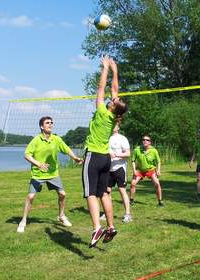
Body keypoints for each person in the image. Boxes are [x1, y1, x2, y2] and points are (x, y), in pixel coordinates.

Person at [82, 55, 128, 248]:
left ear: (112, 105)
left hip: (93, 155)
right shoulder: (113, 117)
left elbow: (101, 88)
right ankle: (110, 226)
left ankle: (96, 227)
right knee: (104, 194)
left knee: (90, 194)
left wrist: (105, 68)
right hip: (106, 159)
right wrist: (115, 70)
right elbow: (114, 90)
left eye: (114, 99)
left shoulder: (102, 111)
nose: (113, 97)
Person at [17, 116, 83, 233]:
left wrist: (75, 158)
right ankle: (23, 220)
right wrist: (38, 164)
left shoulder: (56, 139)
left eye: (51, 123)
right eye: (48, 123)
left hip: (53, 173)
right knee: (31, 196)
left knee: (62, 194)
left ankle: (61, 216)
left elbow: (67, 149)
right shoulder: (36, 140)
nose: (50, 124)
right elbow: (27, 155)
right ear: (42, 126)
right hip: (38, 174)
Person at [106, 121, 132, 222]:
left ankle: (128, 214)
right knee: (107, 192)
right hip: (108, 168)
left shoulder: (122, 138)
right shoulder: (106, 138)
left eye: (115, 125)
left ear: (118, 127)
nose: (113, 126)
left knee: (122, 190)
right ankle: (107, 213)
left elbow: (128, 153)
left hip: (120, 168)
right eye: (111, 124)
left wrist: (116, 155)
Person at [130, 135, 163, 207]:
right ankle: (131, 200)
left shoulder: (154, 151)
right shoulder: (137, 150)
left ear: (150, 142)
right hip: (140, 170)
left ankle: (160, 201)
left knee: (157, 183)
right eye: (143, 139)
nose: (145, 141)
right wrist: (134, 170)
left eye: (147, 140)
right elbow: (132, 161)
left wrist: (158, 170)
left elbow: (158, 162)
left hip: (150, 169)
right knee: (133, 183)